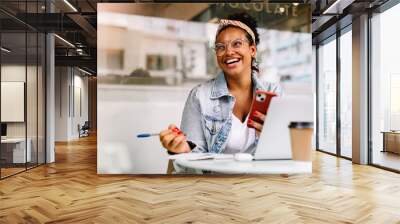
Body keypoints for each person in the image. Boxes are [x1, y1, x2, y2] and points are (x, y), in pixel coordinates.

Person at [160, 12, 281, 155]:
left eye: (237, 44)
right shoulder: (199, 96)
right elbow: (193, 155)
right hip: (214, 177)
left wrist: (273, 137)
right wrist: (182, 149)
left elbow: (285, 152)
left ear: (252, 50)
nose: (228, 52)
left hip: (261, 177)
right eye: (220, 47)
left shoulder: (273, 92)